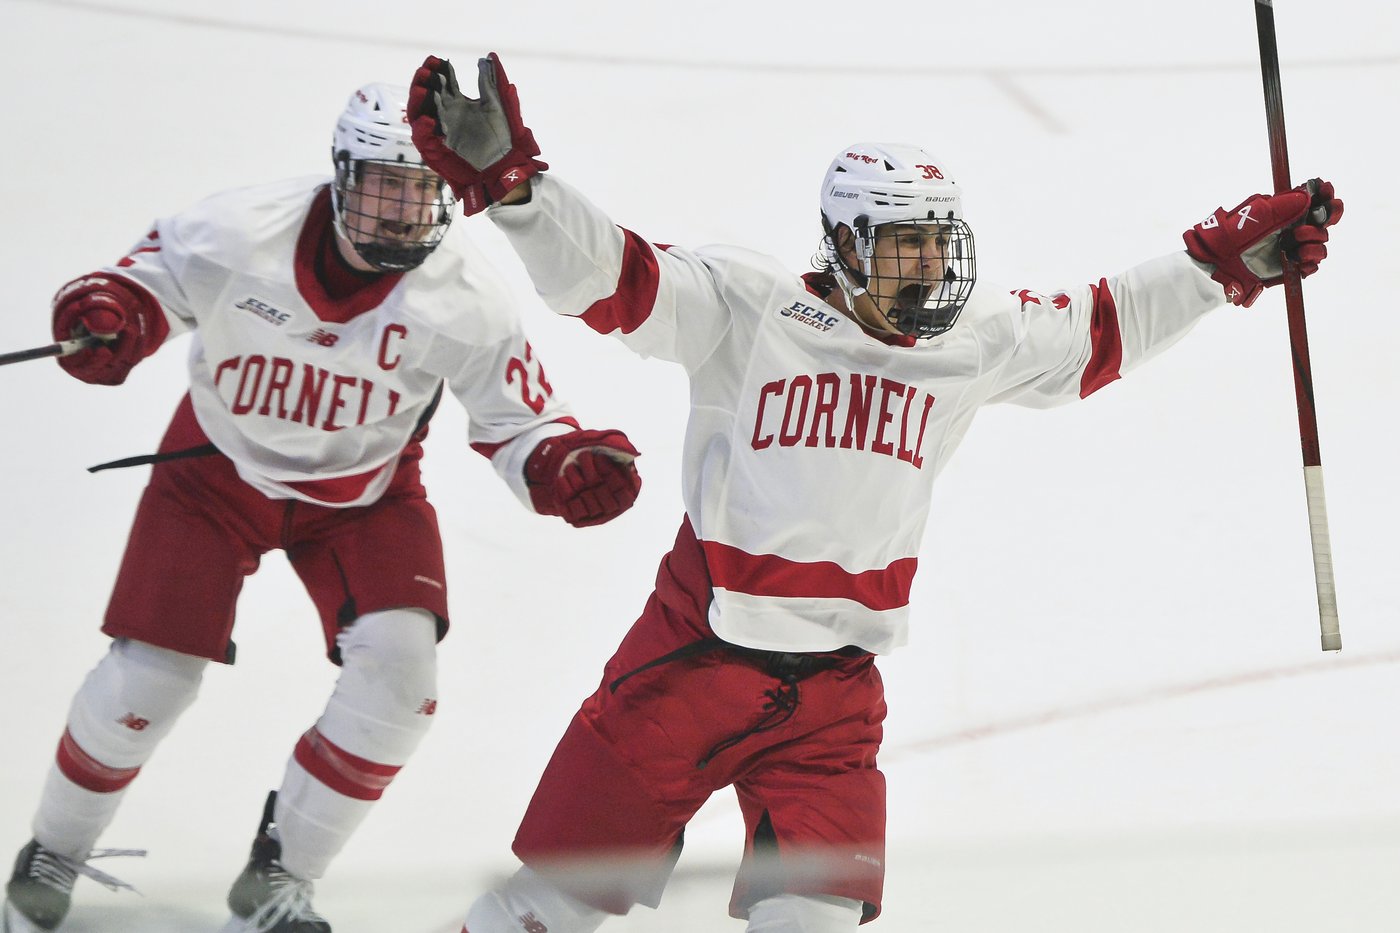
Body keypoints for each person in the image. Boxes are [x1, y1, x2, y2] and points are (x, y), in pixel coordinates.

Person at [405, 54, 1343, 933]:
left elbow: (1102, 328)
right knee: (550, 906)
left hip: (833, 705)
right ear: (848, 241)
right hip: (688, 665)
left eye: (939, 242)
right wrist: (519, 191)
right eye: (905, 244)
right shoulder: (747, 308)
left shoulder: (971, 339)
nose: (930, 265)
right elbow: (612, 275)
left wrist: (1221, 267)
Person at [1, 81, 643, 933]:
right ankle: (53, 851)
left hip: (364, 496)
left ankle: (280, 881)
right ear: (340, 173)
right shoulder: (237, 230)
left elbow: (519, 422)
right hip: (215, 472)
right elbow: (142, 282)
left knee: (402, 683)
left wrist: (562, 464)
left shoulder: (466, 295)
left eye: (424, 191)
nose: (405, 213)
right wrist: (111, 314)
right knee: (149, 678)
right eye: (386, 187)